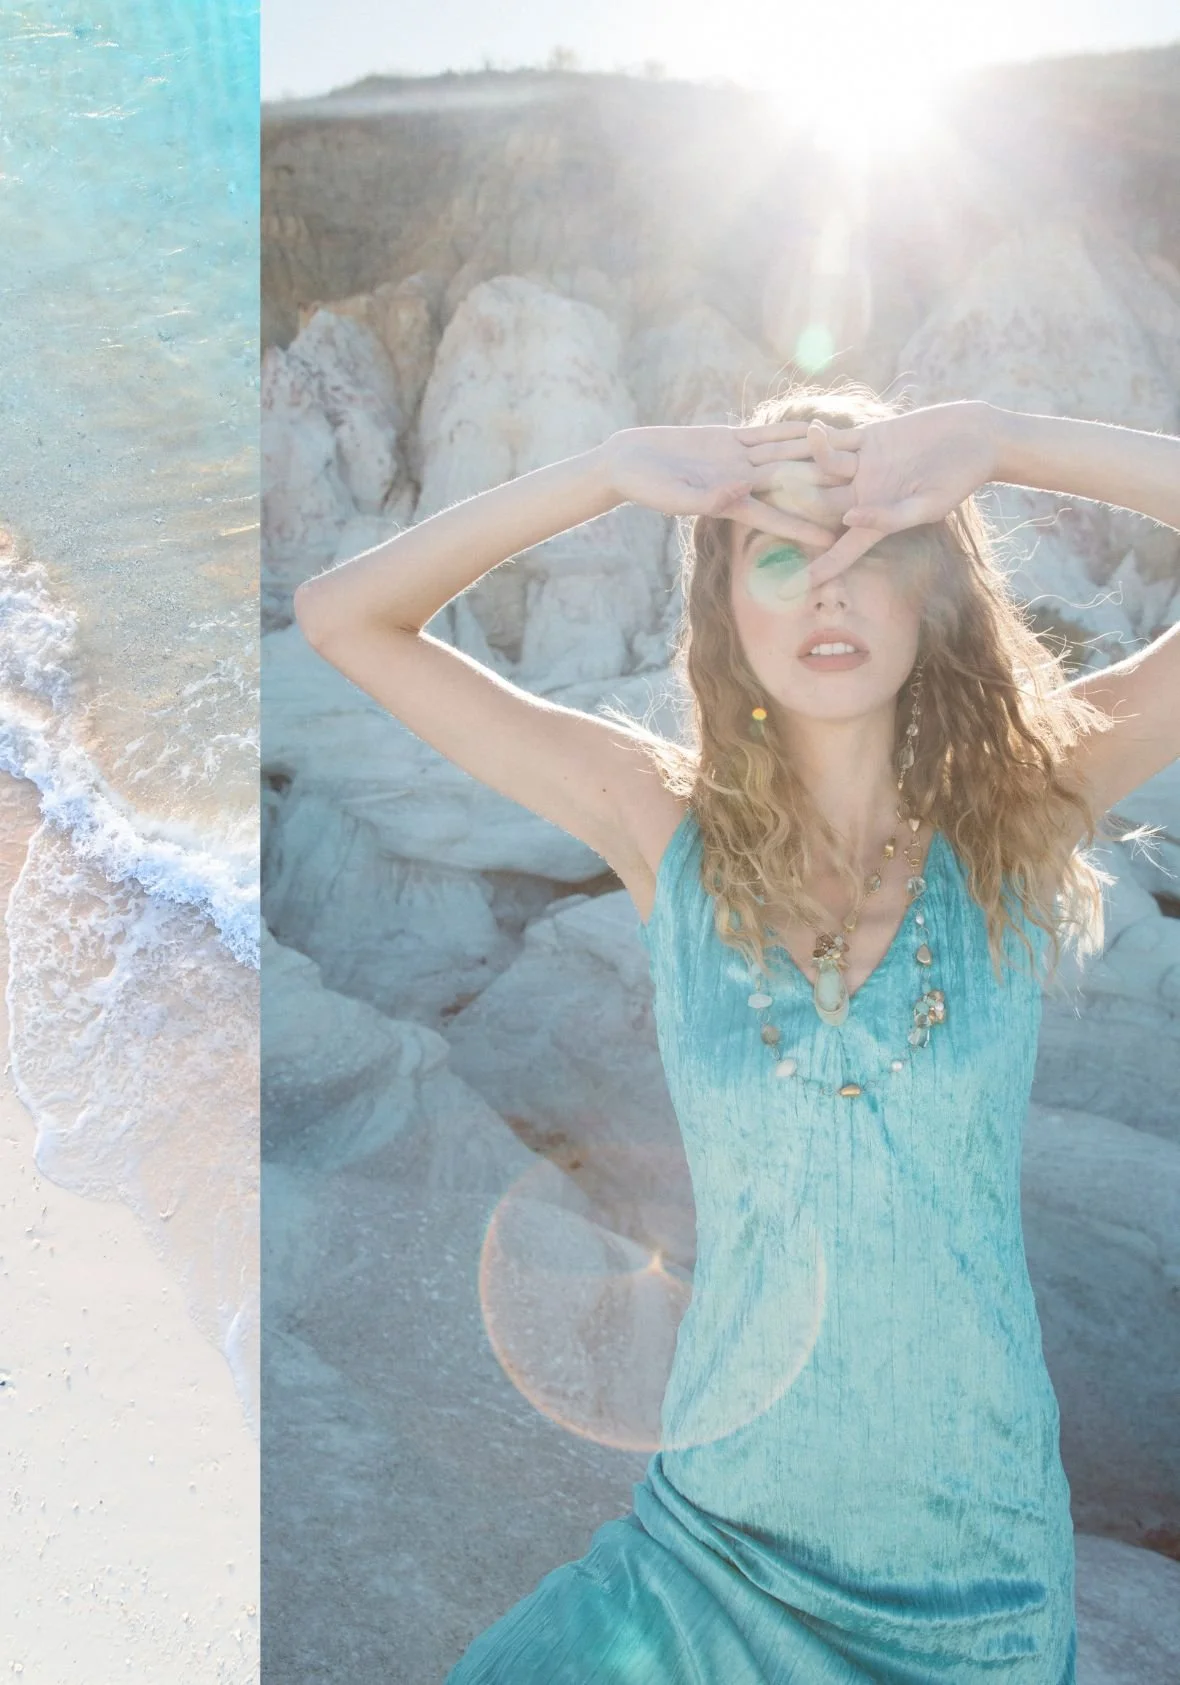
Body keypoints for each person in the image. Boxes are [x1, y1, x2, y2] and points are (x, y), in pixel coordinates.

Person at [293, 384, 1180, 1684]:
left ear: (931, 592)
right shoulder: (660, 828)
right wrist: (607, 470)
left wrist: (1001, 438)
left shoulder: (1018, 810)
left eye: (871, 550)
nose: (827, 590)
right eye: (781, 553)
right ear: (728, 610)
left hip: (971, 1585)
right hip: (711, 1554)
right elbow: (341, 617)